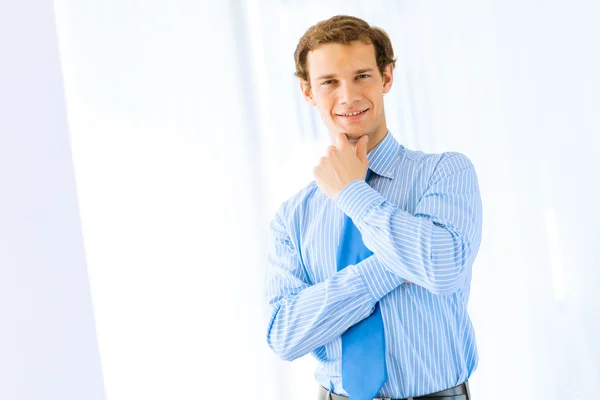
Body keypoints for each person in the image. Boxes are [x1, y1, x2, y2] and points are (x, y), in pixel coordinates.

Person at [263, 15, 482, 400]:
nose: (347, 95)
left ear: (387, 77)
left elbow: (443, 269)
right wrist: (398, 264)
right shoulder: (292, 217)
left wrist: (352, 193)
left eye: (362, 76)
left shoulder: (444, 173)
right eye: (329, 82)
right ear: (308, 91)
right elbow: (284, 334)